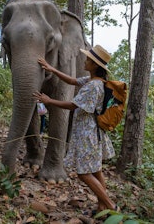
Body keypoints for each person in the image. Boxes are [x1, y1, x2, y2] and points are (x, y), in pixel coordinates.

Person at [33, 45, 119, 215]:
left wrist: (49, 101)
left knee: (83, 173)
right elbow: (72, 81)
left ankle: (111, 206)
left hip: (87, 135)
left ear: (95, 65)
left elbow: (73, 105)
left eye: (88, 60)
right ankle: (102, 206)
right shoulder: (94, 82)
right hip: (92, 133)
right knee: (96, 170)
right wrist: (52, 69)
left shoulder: (93, 86)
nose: (85, 61)